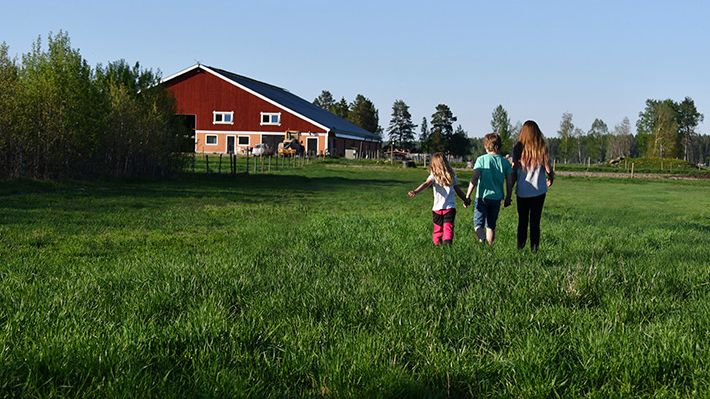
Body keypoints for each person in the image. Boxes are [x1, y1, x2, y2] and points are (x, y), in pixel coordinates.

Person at [408, 153, 470, 245]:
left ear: (433, 164)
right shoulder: (452, 176)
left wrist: (415, 191)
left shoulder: (433, 175)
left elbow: (425, 184)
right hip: (449, 208)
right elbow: (458, 190)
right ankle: (447, 244)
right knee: (448, 227)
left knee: (438, 229)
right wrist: (465, 199)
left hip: (437, 209)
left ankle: (437, 245)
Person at [512, 120, 555, 251]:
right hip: (539, 191)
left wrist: (510, 189)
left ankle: (520, 247)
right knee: (535, 222)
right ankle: (534, 249)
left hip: (522, 191)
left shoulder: (518, 148)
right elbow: (548, 169)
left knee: (522, 221)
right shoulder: (542, 148)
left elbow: (514, 170)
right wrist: (551, 178)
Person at [465, 133, 514, 246]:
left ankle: (482, 241)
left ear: (486, 146)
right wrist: (508, 197)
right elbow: (509, 182)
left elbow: (474, 179)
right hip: (496, 199)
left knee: (478, 224)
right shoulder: (505, 162)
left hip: (482, 197)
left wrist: (467, 196)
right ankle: (490, 247)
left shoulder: (481, 160)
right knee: (491, 225)